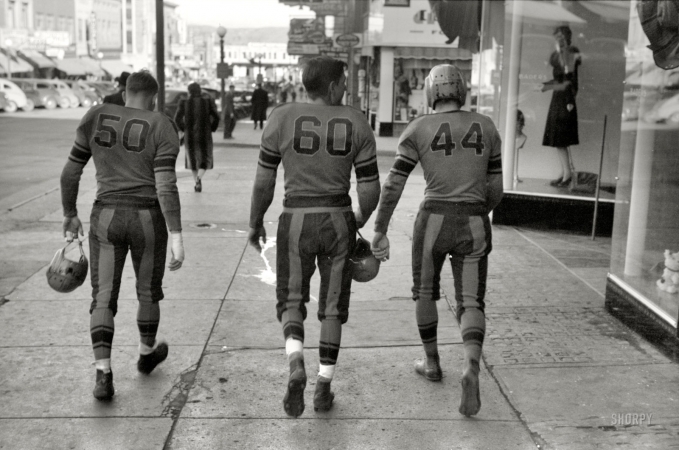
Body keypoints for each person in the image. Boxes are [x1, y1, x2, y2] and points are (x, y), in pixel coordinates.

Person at [248, 56, 381, 418]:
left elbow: (264, 182)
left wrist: (255, 221)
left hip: (295, 218)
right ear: (335, 85)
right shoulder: (356, 121)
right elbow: (370, 189)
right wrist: (358, 221)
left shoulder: (280, 117)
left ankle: (295, 363)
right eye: (344, 83)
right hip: (337, 218)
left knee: (291, 300)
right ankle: (324, 386)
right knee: (333, 306)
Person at [371, 64, 503, 417]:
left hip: (433, 221)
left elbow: (394, 185)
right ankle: (472, 365)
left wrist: (380, 227)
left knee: (425, 292)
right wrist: (476, 211)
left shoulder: (417, 129)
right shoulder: (487, 127)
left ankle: (431, 363)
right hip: (474, 220)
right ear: (462, 90)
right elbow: (496, 190)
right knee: (471, 300)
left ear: (431, 92)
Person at [60, 70, 185, 401]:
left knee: (103, 298)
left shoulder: (96, 116)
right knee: (148, 293)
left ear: (125, 90)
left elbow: (71, 171)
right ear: (154, 97)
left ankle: (103, 374)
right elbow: (166, 185)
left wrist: (69, 214)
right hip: (147, 217)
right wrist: (176, 233)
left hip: (107, 215)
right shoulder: (162, 125)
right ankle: (145, 354)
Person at [541, 25, 581, 188]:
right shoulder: (558, 54)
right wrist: (546, 86)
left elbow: (570, 79)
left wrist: (570, 101)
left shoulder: (570, 53)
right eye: (556, 37)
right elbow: (559, 81)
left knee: (561, 138)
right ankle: (565, 172)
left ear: (566, 37)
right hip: (559, 98)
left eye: (561, 36)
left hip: (565, 99)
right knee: (558, 139)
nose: (558, 39)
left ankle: (567, 174)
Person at [174, 82, 220, 192]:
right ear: (199, 90)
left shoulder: (184, 102)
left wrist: (183, 128)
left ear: (189, 91)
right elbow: (216, 117)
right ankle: (199, 178)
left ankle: (196, 182)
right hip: (205, 134)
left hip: (189, 135)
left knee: (192, 160)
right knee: (205, 158)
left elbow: (177, 118)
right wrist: (212, 128)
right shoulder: (207, 101)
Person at [514, 109, 527, 183]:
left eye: (521, 123)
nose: (521, 125)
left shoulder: (523, 138)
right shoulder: (508, 138)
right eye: (519, 122)